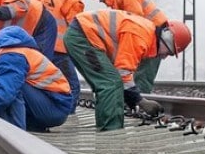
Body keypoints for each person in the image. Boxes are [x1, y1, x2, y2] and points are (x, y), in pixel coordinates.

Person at [64, 9, 192, 131]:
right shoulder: (141, 37)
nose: (164, 57)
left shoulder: (146, 35)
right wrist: (140, 101)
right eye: (169, 53)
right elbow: (123, 73)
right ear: (167, 40)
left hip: (83, 35)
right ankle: (111, 132)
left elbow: (123, 72)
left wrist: (134, 101)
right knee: (111, 83)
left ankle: (107, 125)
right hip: (82, 37)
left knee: (109, 81)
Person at [88, 0, 169, 94]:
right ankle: (136, 105)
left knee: (142, 77)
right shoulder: (119, 0)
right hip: (147, 39)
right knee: (136, 75)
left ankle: (141, 107)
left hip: (153, 40)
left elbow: (135, 24)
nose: (101, 1)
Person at [41, 0, 91, 113]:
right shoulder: (73, 0)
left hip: (42, 47)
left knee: (49, 84)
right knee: (72, 86)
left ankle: (48, 111)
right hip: (61, 51)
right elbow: (77, 30)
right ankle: (66, 117)